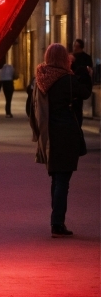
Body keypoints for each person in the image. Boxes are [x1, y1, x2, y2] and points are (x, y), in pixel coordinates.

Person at [30, 43, 92, 238]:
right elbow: (85, 93)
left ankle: (56, 220)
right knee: (63, 180)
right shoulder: (67, 80)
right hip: (66, 133)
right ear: (64, 58)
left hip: (48, 134)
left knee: (56, 179)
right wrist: (86, 75)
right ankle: (57, 223)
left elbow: (30, 107)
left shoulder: (39, 79)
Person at [70, 39, 93, 126]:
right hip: (77, 84)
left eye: (75, 46)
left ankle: (77, 124)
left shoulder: (84, 57)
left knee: (77, 106)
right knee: (77, 107)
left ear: (78, 47)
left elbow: (88, 70)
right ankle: (76, 124)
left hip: (79, 84)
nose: (74, 48)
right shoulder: (73, 57)